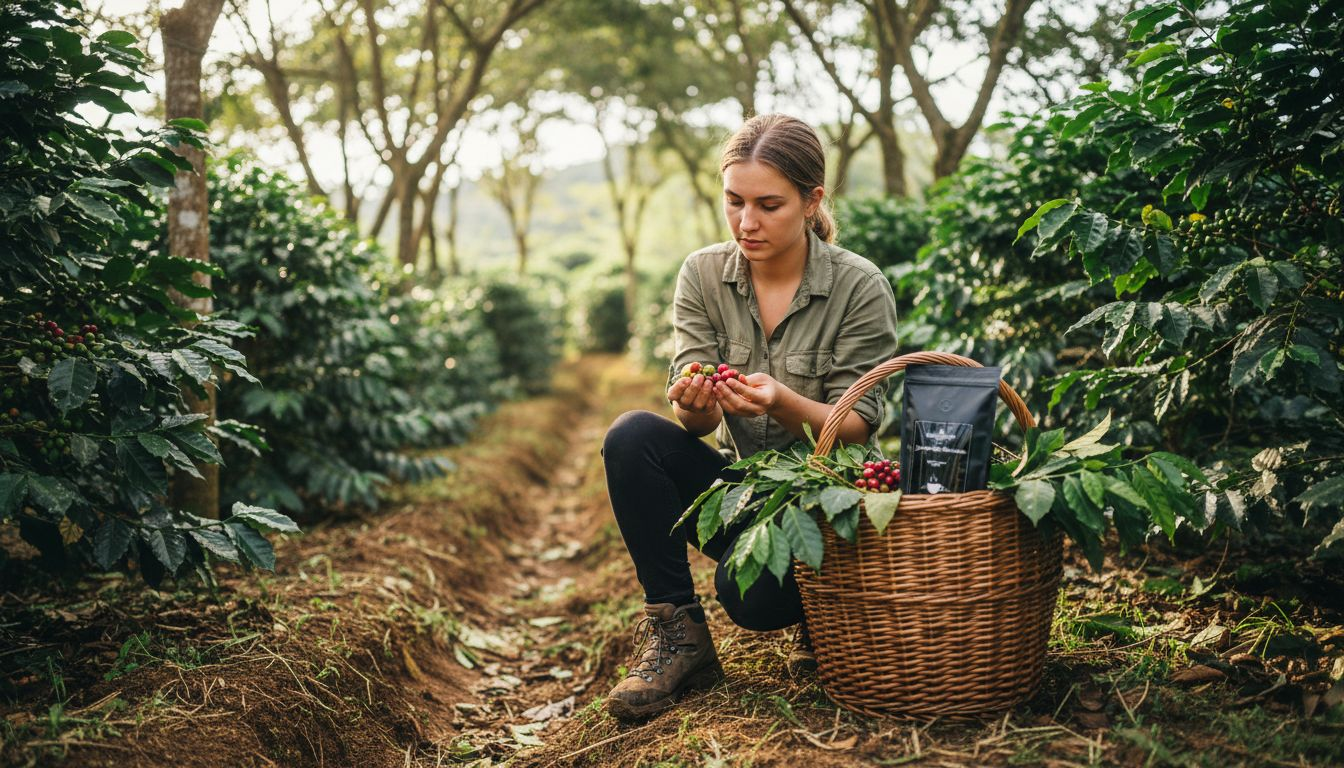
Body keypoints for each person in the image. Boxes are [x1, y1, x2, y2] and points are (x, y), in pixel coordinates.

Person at [600, 113, 899, 720]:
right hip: (742, 493)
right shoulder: (704, 275)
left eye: (769, 205)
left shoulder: (857, 287)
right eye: (733, 202)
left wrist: (783, 401)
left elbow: (859, 428)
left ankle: (825, 609)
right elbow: (697, 431)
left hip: (824, 498)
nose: (747, 222)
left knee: (753, 600)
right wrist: (694, 403)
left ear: (812, 201)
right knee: (632, 437)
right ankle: (676, 632)